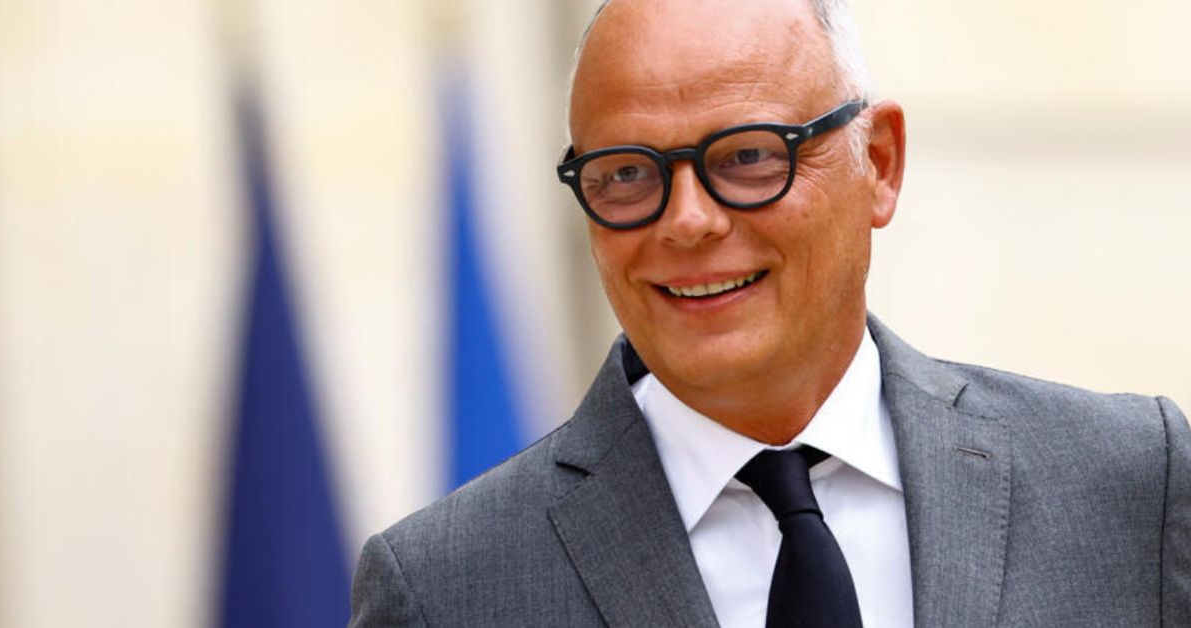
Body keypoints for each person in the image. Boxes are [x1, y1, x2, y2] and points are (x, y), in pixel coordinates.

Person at [349, 0, 1190, 626]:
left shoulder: (1129, 486)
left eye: (748, 156)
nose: (687, 220)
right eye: (627, 173)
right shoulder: (446, 588)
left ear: (880, 163)